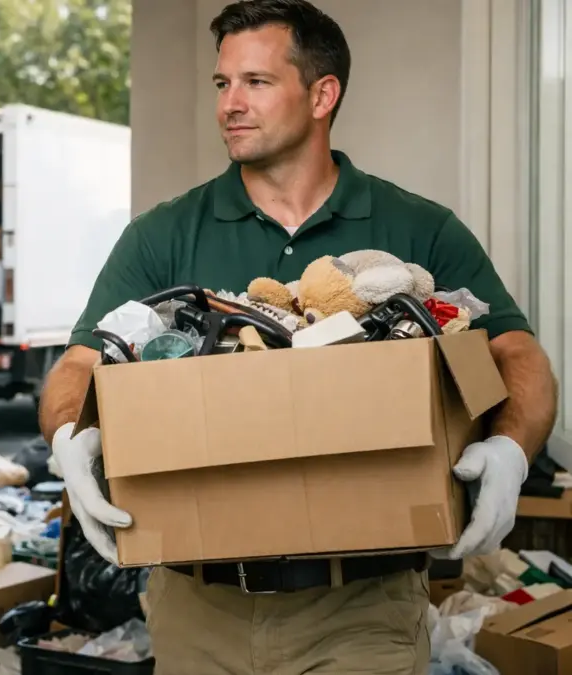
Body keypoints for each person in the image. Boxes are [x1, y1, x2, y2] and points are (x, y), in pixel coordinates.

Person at [39, 1, 558, 673]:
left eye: (255, 82)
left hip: (361, 610)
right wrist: (66, 439)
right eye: (222, 83)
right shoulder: (163, 236)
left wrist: (512, 450)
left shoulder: (417, 229)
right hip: (198, 608)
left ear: (323, 94)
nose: (230, 103)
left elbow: (517, 353)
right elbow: (81, 362)